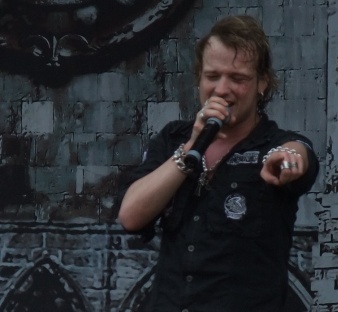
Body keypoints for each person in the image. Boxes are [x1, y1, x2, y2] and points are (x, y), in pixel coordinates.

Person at [117, 15, 319, 312]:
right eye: (212, 77)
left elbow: (299, 155)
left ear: (262, 82)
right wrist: (190, 150)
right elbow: (131, 216)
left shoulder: (274, 143)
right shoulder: (174, 139)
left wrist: (288, 160)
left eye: (237, 78)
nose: (222, 89)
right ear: (199, 77)